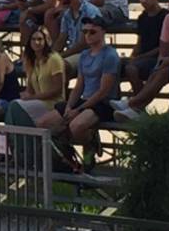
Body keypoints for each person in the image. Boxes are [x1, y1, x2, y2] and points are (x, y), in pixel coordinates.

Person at [37, 18, 120, 154]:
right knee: (43, 123)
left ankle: (89, 143)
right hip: (85, 99)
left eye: (92, 32)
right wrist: (69, 106)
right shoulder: (84, 56)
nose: (88, 35)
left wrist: (79, 109)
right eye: (85, 32)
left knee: (76, 126)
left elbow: (103, 91)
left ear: (103, 32)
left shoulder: (110, 55)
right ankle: (65, 152)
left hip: (103, 103)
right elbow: (79, 85)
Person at [124, 0, 167, 95]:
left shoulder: (166, 16)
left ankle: (139, 101)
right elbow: (140, 41)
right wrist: (133, 55)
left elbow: (165, 46)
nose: (143, 0)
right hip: (143, 57)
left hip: (158, 58)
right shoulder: (142, 17)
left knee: (131, 68)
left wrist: (140, 57)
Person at [16, 28, 66, 124]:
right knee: (15, 105)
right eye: (33, 39)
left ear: (46, 41)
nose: (36, 42)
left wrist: (32, 98)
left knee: (16, 107)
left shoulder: (54, 59)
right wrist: (26, 95)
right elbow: (30, 90)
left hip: (52, 102)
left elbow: (57, 90)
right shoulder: (32, 61)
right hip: (38, 101)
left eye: (40, 39)